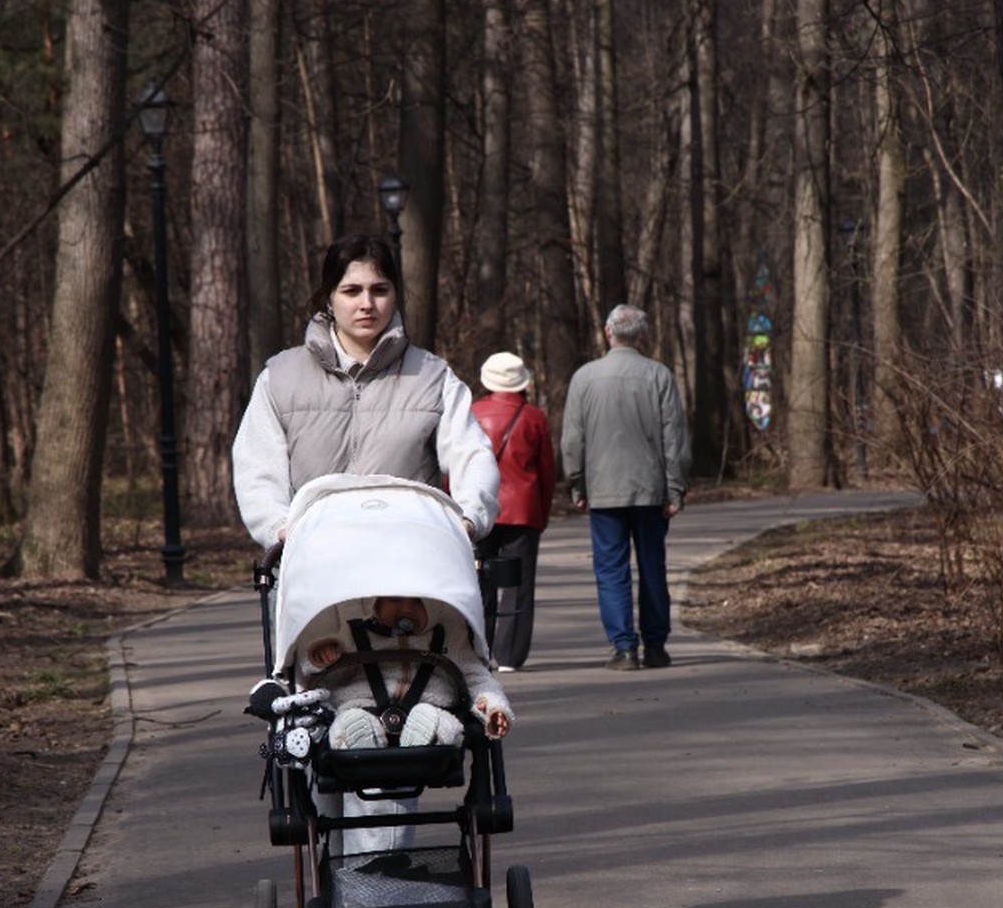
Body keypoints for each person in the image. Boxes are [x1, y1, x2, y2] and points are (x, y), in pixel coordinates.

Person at [232, 233, 499, 548]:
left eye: (380, 290)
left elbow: (472, 454)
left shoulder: (433, 376)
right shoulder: (279, 377)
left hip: (410, 562)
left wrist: (468, 517)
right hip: (312, 560)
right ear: (329, 297)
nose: (367, 304)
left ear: (395, 295)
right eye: (351, 291)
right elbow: (257, 469)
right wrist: (279, 527)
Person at [301, 595, 514, 856]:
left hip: (428, 707)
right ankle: (357, 734)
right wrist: (324, 655)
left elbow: (476, 675)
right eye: (395, 600)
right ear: (375, 601)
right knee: (346, 724)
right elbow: (327, 678)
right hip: (364, 707)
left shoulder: (447, 631)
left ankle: (424, 732)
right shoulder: (355, 628)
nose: (405, 609)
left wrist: (492, 707)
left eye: (417, 602)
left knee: (440, 723)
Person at [560, 304, 691, 671]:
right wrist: (675, 488)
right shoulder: (659, 376)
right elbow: (674, 439)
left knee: (611, 569)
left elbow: (573, 439)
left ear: (608, 332)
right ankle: (655, 646)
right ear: (643, 335)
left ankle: (624, 647)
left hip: (603, 489)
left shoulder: (584, 378)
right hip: (650, 489)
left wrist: (576, 483)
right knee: (653, 566)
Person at [471, 351, 556, 672]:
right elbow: (546, 472)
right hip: (523, 509)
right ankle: (509, 656)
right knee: (519, 585)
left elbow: (455, 468)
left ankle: (480, 650)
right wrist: (542, 512)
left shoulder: (472, 413)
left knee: (480, 582)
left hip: (480, 508)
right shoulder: (535, 417)